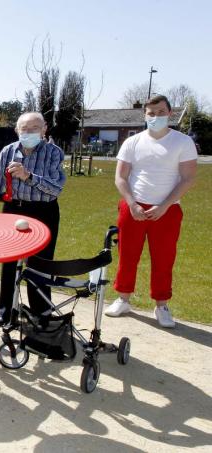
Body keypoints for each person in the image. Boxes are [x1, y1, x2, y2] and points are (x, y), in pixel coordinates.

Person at [105, 95, 197, 328]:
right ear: (144, 115)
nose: (155, 117)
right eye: (151, 113)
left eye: (160, 112)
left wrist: (164, 205)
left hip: (168, 210)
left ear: (170, 113)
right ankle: (123, 298)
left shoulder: (182, 142)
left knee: (164, 259)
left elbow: (188, 179)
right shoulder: (132, 142)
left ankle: (161, 305)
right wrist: (133, 204)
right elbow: (120, 177)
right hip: (133, 207)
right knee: (127, 255)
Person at [0, 112, 66, 327]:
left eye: (34, 128)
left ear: (44, 129)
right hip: (13, 210)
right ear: (16, 131)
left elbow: (55, 188)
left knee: (39, 264)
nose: (29, 132)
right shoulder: (8, 151)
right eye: (24, 128)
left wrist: (28, 176)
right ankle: (6, 312)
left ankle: (41, 314)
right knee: (9, 262)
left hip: (43, 211)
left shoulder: (53, 152)